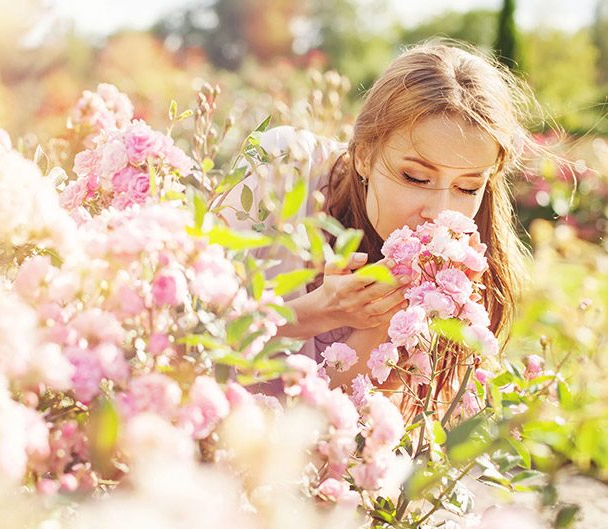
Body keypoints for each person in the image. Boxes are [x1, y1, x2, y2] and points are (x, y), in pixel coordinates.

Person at [223, 40, 533, 406]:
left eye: (468, 186)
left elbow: (333, 420)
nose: (439, 210)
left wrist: (391, 320)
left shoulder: (460, 274)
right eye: (416, 177)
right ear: (365, 155)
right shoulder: (283, 167)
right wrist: (315, 312)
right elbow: (185, 336)